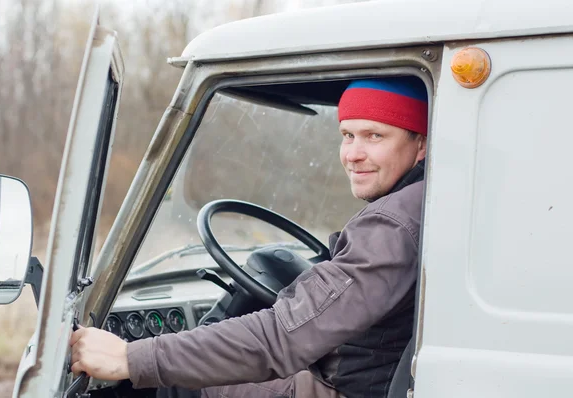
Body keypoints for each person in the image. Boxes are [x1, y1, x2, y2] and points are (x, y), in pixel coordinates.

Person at [69, 76, 429, 398]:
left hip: (345, 389)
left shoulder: (393, 224)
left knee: (176, 383)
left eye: (375, 136)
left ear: (421, 144)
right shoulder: (422, 204)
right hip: (364, 379)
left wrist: (131, 357)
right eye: (347, 135)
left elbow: (282, 337)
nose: (353, 154)